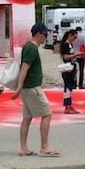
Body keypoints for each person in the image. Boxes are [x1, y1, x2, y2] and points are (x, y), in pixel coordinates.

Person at [12, 23, 58, 156]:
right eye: (45, 34)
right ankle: (44, 146)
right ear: (38, 34)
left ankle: (23, 147)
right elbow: (25, 67)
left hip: (28, 87)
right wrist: (19, 86)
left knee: (27, 117)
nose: (46, 37)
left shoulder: (27, 46)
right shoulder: (32, 48)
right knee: (47, 113)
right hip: (32, 86)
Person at [58, 28, 81, 114]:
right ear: (70, 35)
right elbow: (66, 57)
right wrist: (76, 54)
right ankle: (67, 106)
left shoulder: (69, 44)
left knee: (69, 88)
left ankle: (68, 105)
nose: (74, 39)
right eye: (74, 37)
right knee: (68, 87)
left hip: (71, 68)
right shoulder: (66, 45)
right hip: (68, 68)